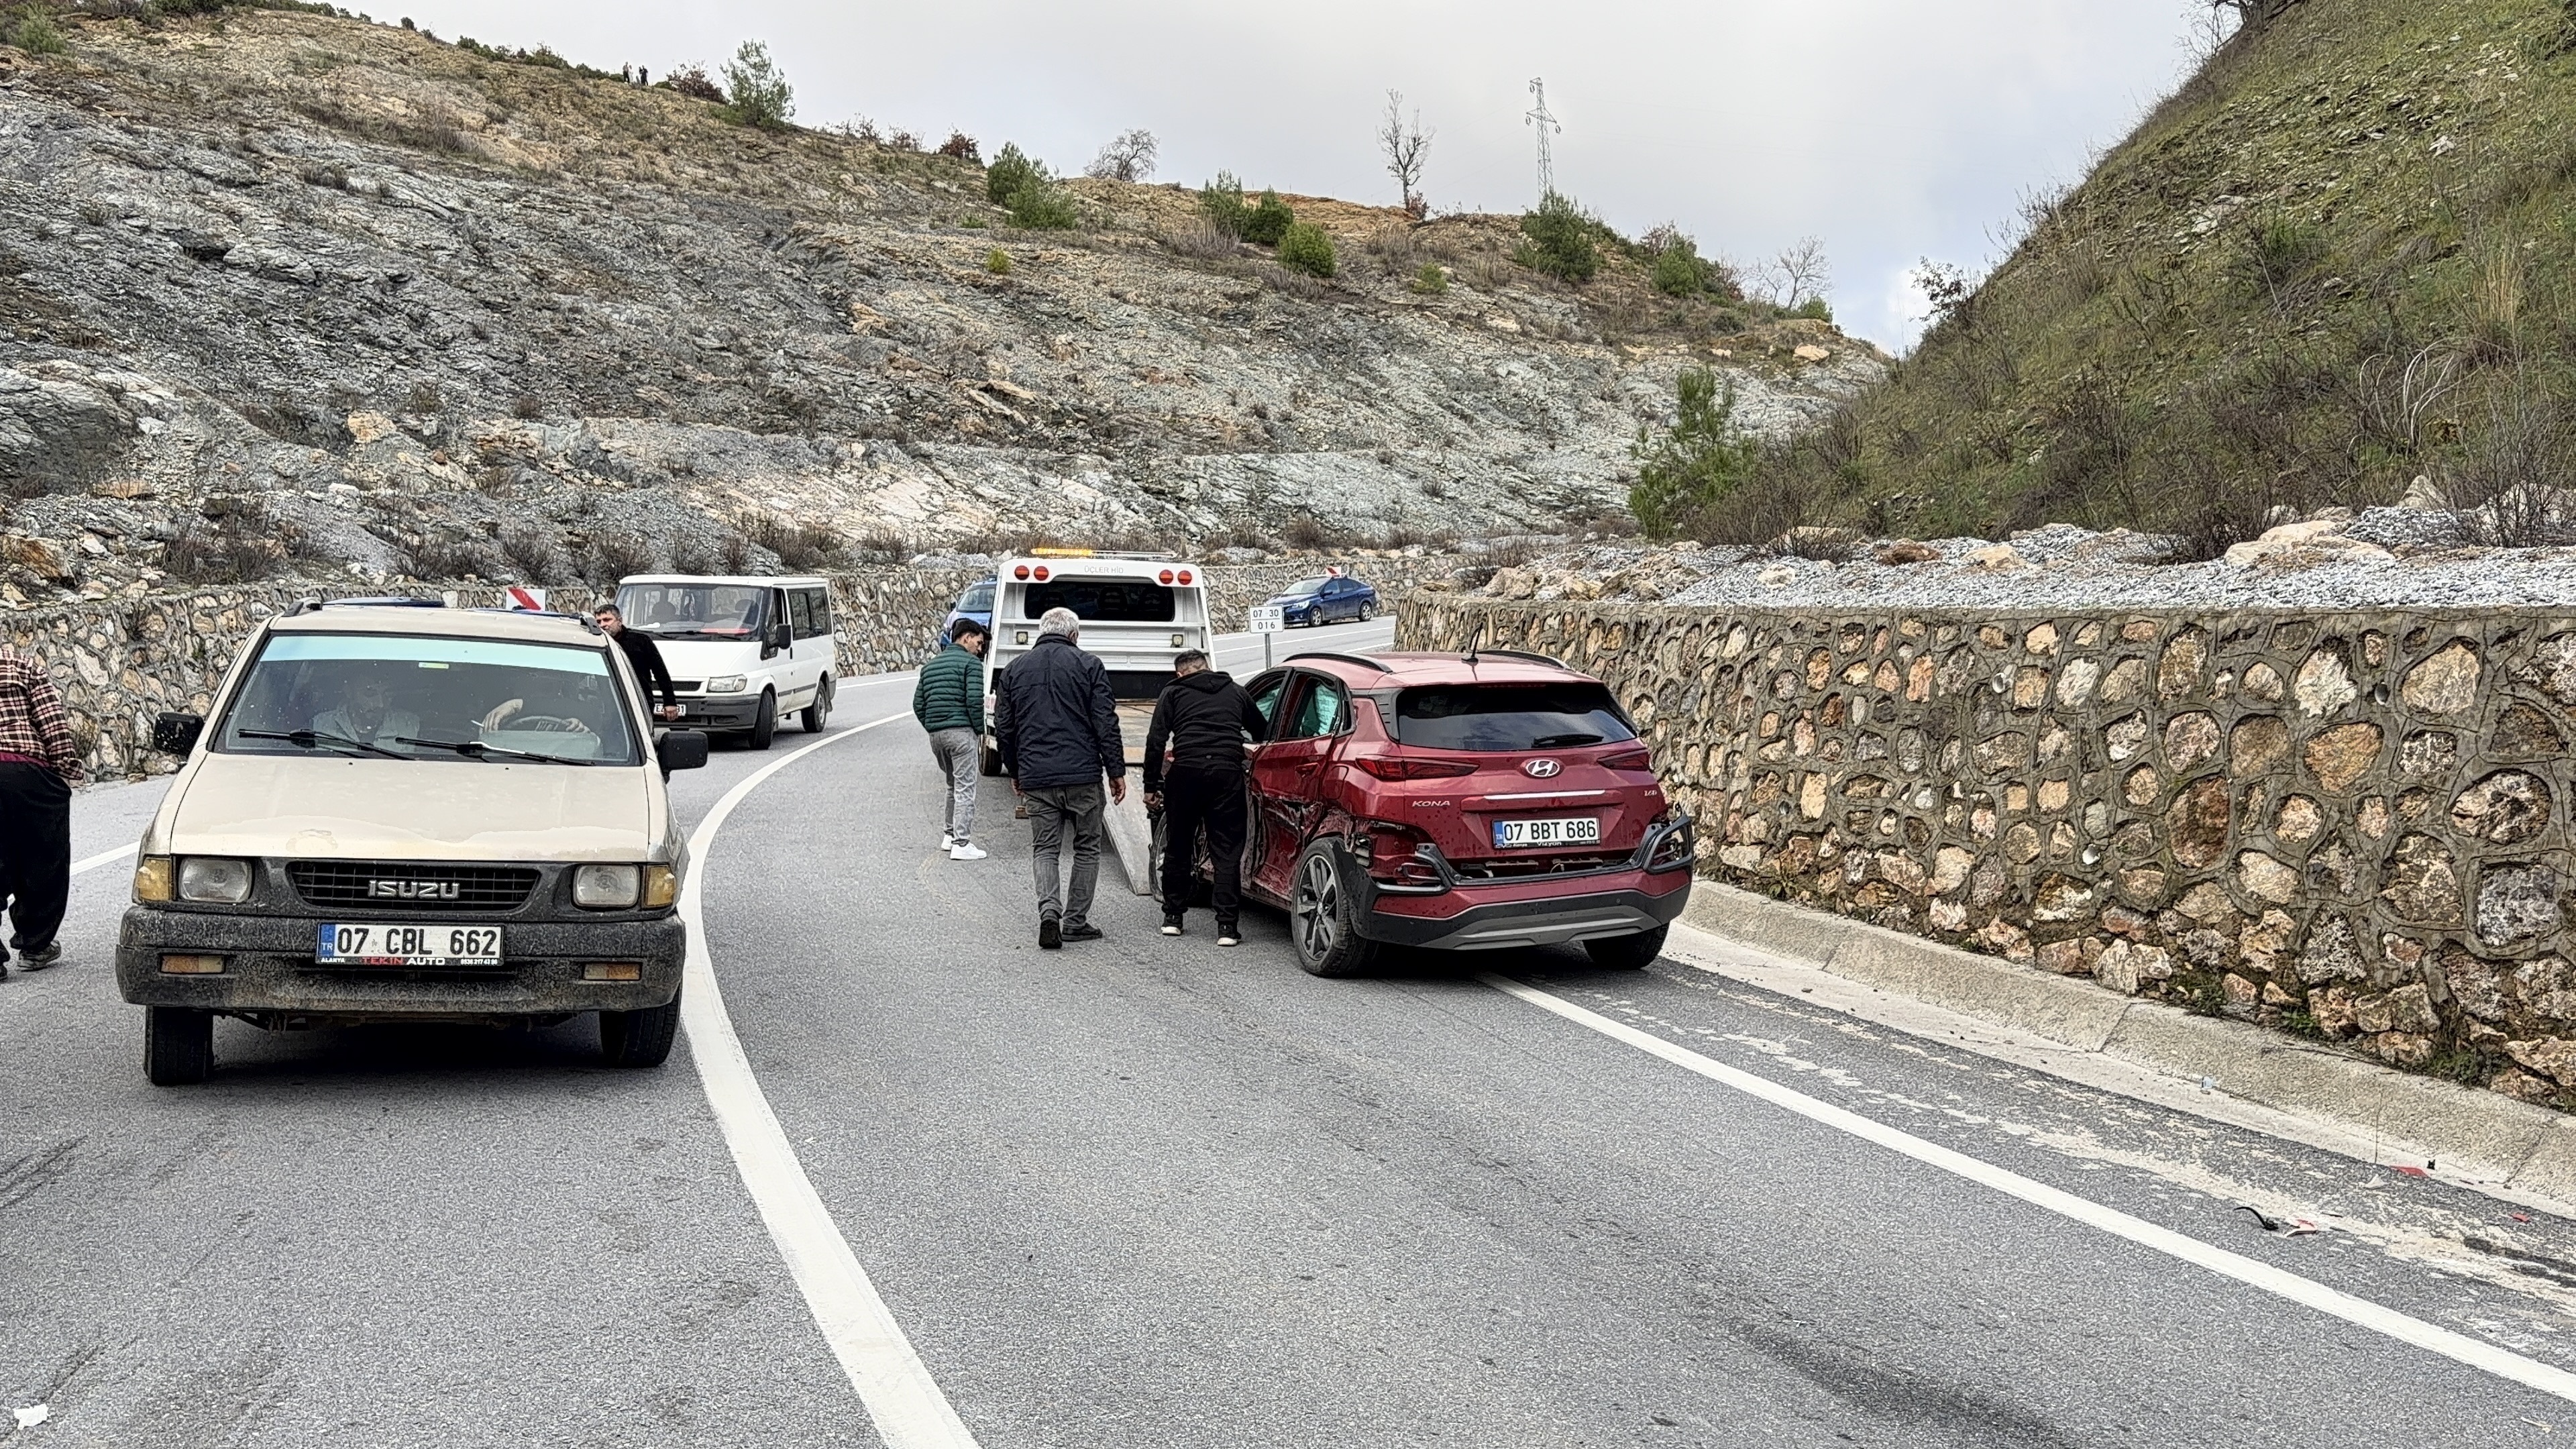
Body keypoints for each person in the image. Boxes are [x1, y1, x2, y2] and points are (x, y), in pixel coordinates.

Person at [993, 606, 1126, 949]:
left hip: (1037, 776)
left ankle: (1049, 913)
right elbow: (1105, 722)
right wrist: (1116, 771)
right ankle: (1076, 922)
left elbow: (1005, 728)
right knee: (1087, 846)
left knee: (1045, 849)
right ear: (1074, 635)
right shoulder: (1089, 665)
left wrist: (1016, 771)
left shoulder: (1013, 670)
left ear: (1040, 632)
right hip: (1083, 775)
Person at [1143, 649, 1267, 947]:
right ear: (1207, 667)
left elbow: (1156, 740)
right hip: (1226, 774)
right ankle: (1227, 927)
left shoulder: (1172, 693)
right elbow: (1261, 730)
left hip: (1185, 773)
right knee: (1226, 849)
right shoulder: (1236, 692)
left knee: (1179, 844)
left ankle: (1173, 917)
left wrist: (1151, 785)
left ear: (1180, 673)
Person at [0, 645, 84, 976]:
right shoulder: (21, 664)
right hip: (26, 773)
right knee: (43, 858)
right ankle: (36, 945)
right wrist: (65, 768)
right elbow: (52, 723)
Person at [911, 619, 989, 861]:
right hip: (961, 733)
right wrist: (979, 730)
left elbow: (918, 704)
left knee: (952, 786)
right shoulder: (972, 664)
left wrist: (933, 727)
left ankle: (949, 836)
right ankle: (962, 843)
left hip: (937, 736)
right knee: (966, 787)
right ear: (966, 638)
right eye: (978, 642)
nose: (980, 649)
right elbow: (974, 701)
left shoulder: (930, 666)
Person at [595, 605, 680, 721]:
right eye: (599, 622)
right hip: (609, 704)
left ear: (620, 621)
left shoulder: (641, 641)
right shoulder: (597, 643)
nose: (603, 625)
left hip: (641, 702)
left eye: (607, 620)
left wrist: (670, 702)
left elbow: (660, 672)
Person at [311, 669, 421, 750]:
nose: (381, 704)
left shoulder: (410, 726)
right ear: (349, 692)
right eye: (370, 694)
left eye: (387, 694)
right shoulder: (318, 727)